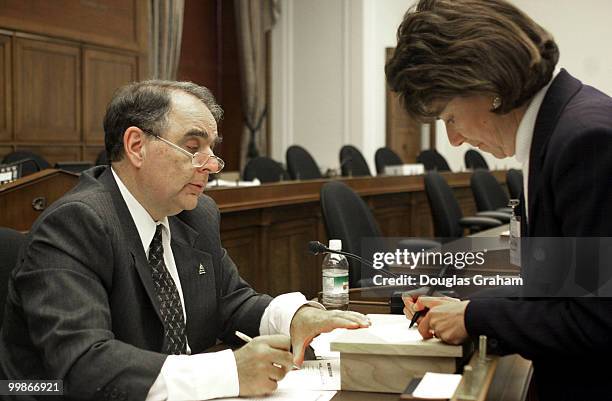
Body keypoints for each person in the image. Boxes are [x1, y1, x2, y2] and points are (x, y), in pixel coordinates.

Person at [0, 81, 370, 401]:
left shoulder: (196, 213)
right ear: (136, 146)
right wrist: (229, 371)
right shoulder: (76, 223)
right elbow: (84, 365)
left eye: (212, 149)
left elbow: (230, 301)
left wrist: (294, 317)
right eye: (194, 147)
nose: (211, 165)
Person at [385, 1, 612, 400]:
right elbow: (560, 287)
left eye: (449, 117)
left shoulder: (584, 141)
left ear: (486, 87)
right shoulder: (560, 128)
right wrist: (461, 306)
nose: (453, 139)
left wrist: (475, 316)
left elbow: (597, 320)